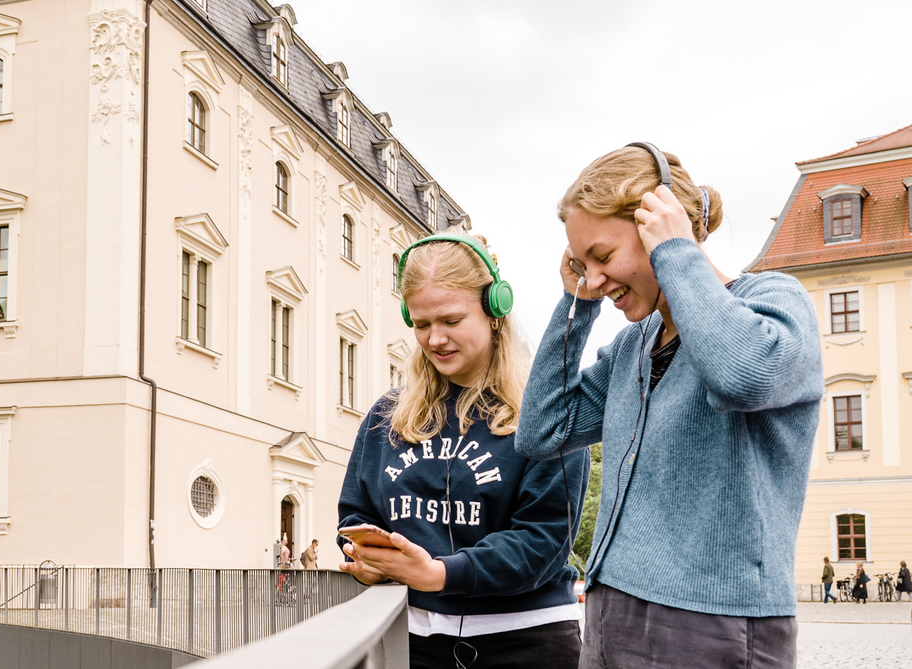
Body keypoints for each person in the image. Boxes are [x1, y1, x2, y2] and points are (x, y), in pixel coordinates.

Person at [517, 144, 823, 669]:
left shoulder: (774, 299)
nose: (593, 278)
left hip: (712, 625)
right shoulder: (634, 347)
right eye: (580, 263)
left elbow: (741, 377)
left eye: (603, 256)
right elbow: (543, 431)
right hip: (613, 613)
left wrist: (678, 253)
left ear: (659, 225)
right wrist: (576, 304)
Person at [339, 234, 588, 669]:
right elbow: (356, 513)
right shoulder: (387, 415)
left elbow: (542, 541)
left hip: (527, 643)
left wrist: (441, 574)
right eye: (420, 324)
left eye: (451, 320)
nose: (434, 339)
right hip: (410, 642)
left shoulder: (544, 413)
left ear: (494, 312)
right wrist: (365, 557)